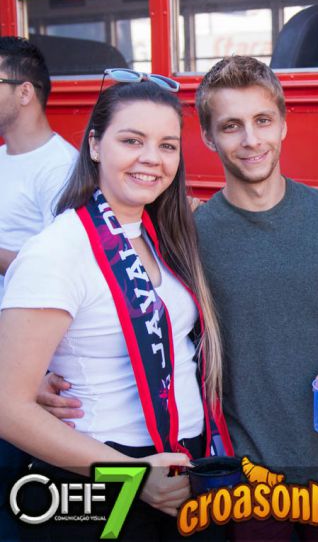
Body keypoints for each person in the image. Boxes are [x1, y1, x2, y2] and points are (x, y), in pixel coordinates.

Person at [0, 76, 232, 540]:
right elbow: (8, 407)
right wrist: (132, 476)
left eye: (167, 145)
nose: (152, 158)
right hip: (101, 472)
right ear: (94, 145)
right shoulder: (57, 251)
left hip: (185, 461)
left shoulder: (160, 236)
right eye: (132, 140)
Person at [192, 55, 318, 541]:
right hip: (244, 468)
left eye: (262, 120)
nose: (251, 140)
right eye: (231, 126)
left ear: (283, 125)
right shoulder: (191, 235)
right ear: (208, 137)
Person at [0, 35, 77, 540]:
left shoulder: (60, 168)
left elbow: (63, 270)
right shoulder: (4, 157)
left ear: (24, 92)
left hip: (30, 357)